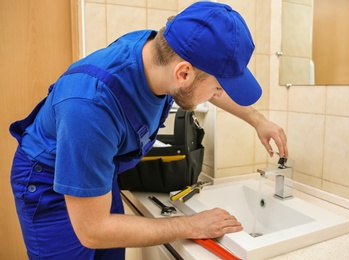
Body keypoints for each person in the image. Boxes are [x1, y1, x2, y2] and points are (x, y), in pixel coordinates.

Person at [10, 1, 288, 259]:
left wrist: (257, 120)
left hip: (97, 168)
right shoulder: (89, 106)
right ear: (183, 73)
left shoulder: (160, 52)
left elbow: (205, 82)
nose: (218, 94)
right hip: (47, 183)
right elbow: (93, 230)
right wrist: (190, 225)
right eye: (218, 87)